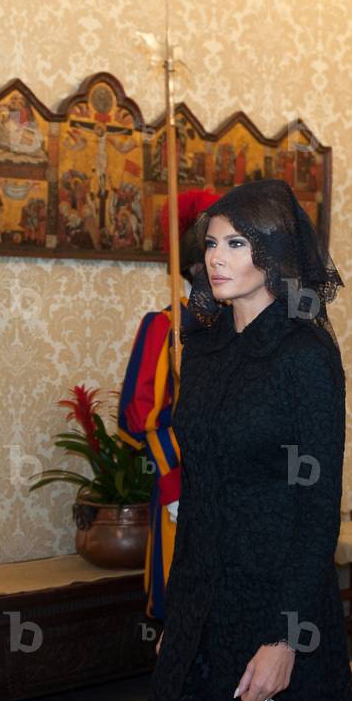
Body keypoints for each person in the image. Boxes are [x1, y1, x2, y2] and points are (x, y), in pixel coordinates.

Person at [94, 179, 352, 701]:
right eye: (211, 242)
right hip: (205, 609)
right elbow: (203, 494)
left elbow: (316, 510)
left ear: (275, 252)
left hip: (275, 615)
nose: (216, 257)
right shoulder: (207, 343)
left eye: (236, 243)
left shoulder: (305, 354)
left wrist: (285, 638)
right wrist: (180, 611)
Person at [117, 188, 218, 619]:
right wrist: (175, 484)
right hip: (185, 489)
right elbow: (142, 415)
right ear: (194, 265)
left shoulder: (246, 326)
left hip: (236, 493)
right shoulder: (165, 327)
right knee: (186, 613)